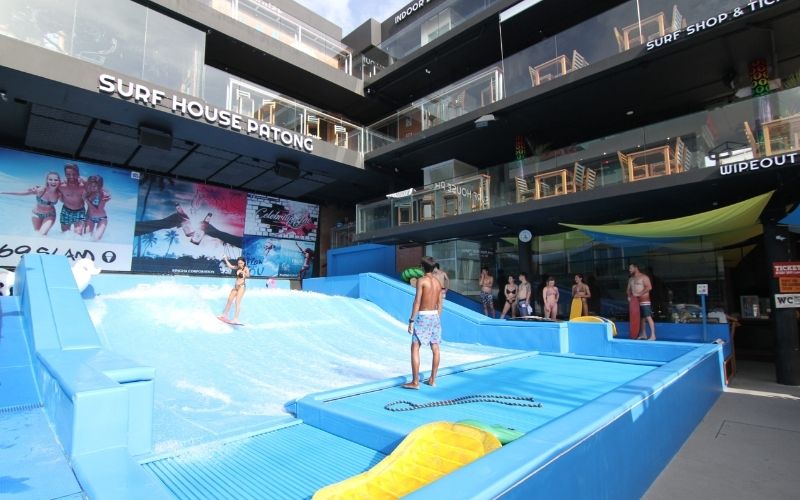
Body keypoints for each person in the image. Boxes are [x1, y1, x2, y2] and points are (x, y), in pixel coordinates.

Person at [403, 256, 442, 390]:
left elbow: (417, 302)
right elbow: (440, 303)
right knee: (435, 347)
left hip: (424, 316)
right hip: (435, 316)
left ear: (422, 267)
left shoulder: (421, 281)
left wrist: (411, 320)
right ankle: (432, 379)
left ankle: (415, 382)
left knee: (415, 347)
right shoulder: (437, 283)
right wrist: (437, 318)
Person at [1, 171, 62, 235]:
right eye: (50, 179)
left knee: (41, 234)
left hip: (50, 215)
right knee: (37, 234)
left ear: (59, 181)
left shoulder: (59, 193)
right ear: (47, 180)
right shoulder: (41, 190)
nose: (53, 182)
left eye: (56, 180)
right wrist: (3, 192)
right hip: (36, 214)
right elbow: (22, 193)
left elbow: (68, 199)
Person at [627, 263, 655, 340]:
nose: (629, 270)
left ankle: (653, 335)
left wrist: (639, 294)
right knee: (641, 319)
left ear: (636, 268)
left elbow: (649, 287)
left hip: (644, 300)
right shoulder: (631, 279)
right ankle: (643, 334)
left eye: (631, 268)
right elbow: (628, 290)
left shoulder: (644, 277)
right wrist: (629, 296)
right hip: (635, 302)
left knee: (648, 317)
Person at [219, 255, 250, 324]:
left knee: (237, 302)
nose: (240, 264)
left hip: (241, 287)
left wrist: (243, 273)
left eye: (241, 263)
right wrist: (225, 259)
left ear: (244, 263)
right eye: (239, 263)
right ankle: (224, 315)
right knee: (229, 300)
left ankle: (236, 319)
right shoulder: (237, 267)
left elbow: (248, 275)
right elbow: (230, 266)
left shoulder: (245, 268)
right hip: (235, 287)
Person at [59, 163, 87, 234]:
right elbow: (48, 187)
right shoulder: (61, 185)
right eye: (68, 174)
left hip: (80, 211)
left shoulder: (84, 184)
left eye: (74, 174)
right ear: (65, 174)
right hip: (66, 211)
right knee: (65, 235)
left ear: (78, 173)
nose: (71, 177)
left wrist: (106, 193)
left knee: (78, 235)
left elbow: (98, 187)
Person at [83, 175, 110, 241]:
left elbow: (96, 209)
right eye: (90, 185)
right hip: (90, 218)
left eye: (94, 186)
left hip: (101, 219)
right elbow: (80, 180)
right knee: (86, 239)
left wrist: (86, 200)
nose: (92, 188)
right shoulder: (87, 192)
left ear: (99, 186)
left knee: (96, 239)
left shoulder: (104, 195)